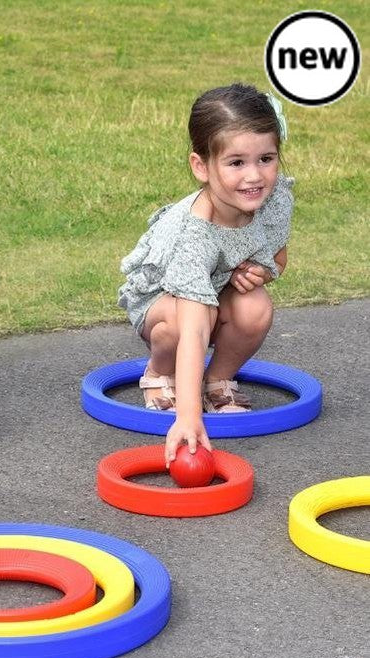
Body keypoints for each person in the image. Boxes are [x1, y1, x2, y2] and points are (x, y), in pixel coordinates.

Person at [118, 84, 292, 464]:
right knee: (192, 320)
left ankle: (217, 380)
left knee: (256, 306)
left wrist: (261, 273)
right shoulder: (195, 232)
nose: (254, 176)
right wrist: (188, 418)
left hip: (216, 290)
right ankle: (161, 373)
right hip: (161, 303)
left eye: (266, 158)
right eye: (236, 163)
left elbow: (278, 259)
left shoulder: (275, 199)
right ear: (202, 166)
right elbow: (196, 326)